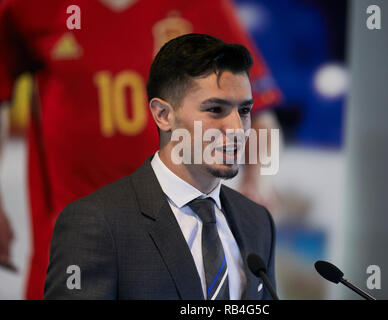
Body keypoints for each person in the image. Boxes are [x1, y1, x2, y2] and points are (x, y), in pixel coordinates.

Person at [0, 0, 281, 299]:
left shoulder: (205, 7)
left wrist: (258, 183)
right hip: (69, 227)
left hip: (177, 220)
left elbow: (261, 112)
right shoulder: (29, 8)